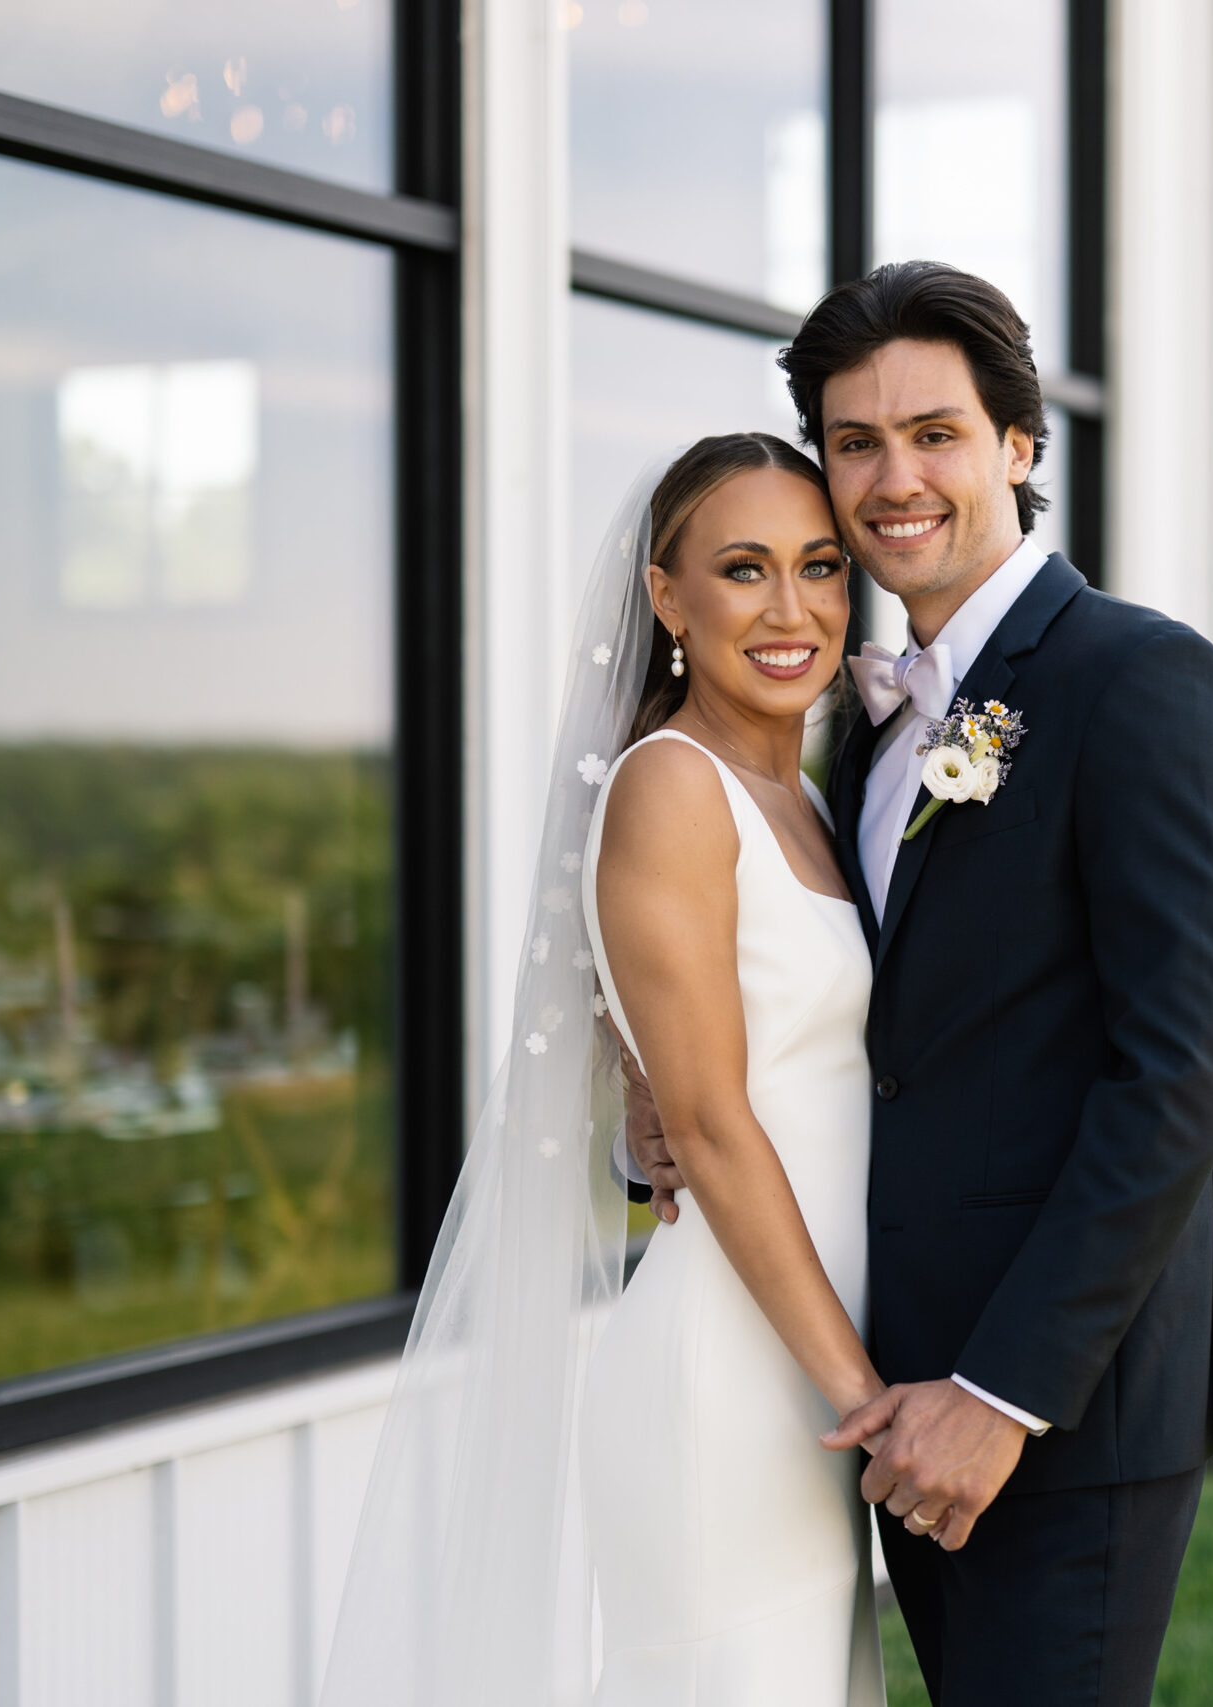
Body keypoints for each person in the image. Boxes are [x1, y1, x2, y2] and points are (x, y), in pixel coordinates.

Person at [629, 262, 1213, 1707]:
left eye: (935, 432)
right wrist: (658, 1102)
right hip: (883, 1381)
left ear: (1020, 449)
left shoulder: (1146, 685)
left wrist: (1003, 1393)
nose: (892, 476)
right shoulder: (854, 732)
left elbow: (1177, 1076)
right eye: (854, 441)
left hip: (1054, 1397)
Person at [317, 432, 892, 1707]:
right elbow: (710, 1121)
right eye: (744, 570)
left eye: (820, 567)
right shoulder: (672, 789)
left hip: (808, 1356)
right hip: (735, 1371)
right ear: (665, 596)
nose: (792, 610)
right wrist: (863, 1397)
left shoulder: (806, 797)